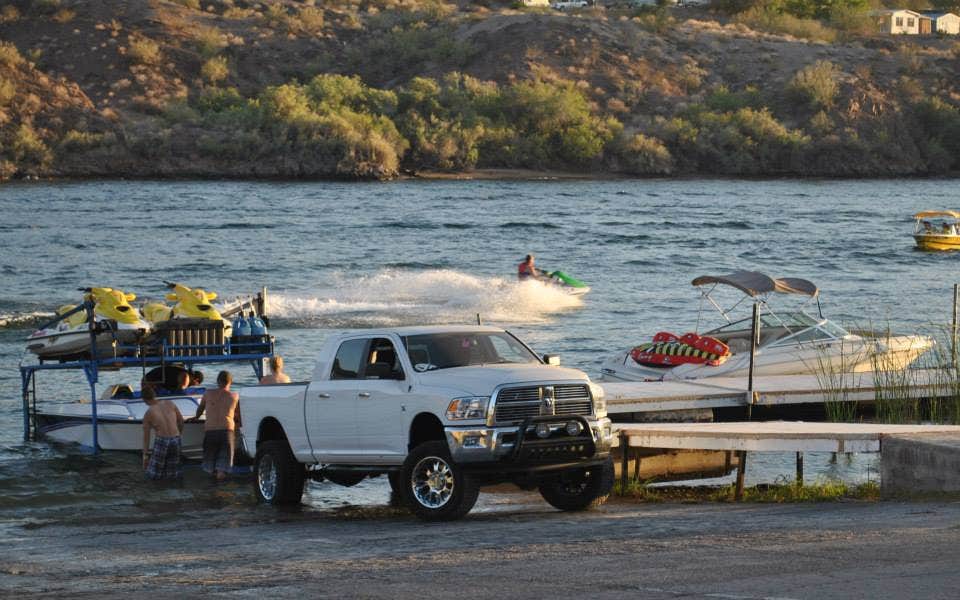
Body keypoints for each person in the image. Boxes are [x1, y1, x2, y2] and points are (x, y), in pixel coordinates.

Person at [192, 370, 241, 480]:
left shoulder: (208, 393)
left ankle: (212, 491)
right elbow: (238, 417)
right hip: (226, 432)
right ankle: (220, 492)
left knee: (210, 467)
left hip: (210, 432)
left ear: (217, 381)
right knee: (222, 468)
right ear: (230, 382)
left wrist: (195, 418)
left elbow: (200, 409)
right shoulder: (234, 396)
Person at [142, 385, 184, 480]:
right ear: (154, 395)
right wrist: (179, 435)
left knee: (154, 474)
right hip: (176, 439)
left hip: (162, 441)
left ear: (144, 400)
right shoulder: (170, 403)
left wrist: (145, 456)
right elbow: (181, 422)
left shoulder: (148, 413)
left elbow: (146, 438)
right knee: (173, 473)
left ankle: (158, 492)